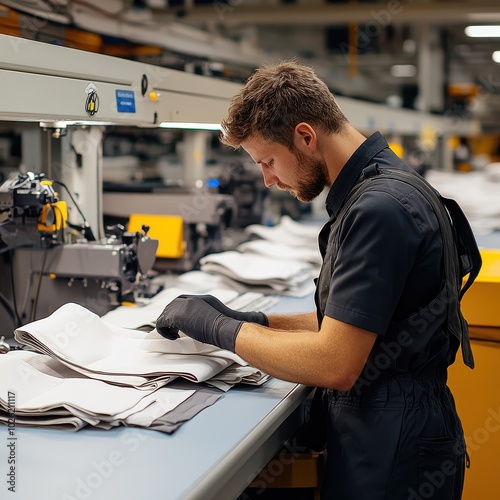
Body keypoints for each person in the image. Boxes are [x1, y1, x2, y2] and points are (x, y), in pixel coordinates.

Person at [155, 61, 480, 499]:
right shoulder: (384, 185)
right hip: (393, 432)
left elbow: (335, 363)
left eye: (268, 161)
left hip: (391, 452)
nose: (268, 180)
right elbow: (353, 324)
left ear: (306, 136)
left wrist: (220, 329)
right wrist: (255, 321)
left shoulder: (379, 208)